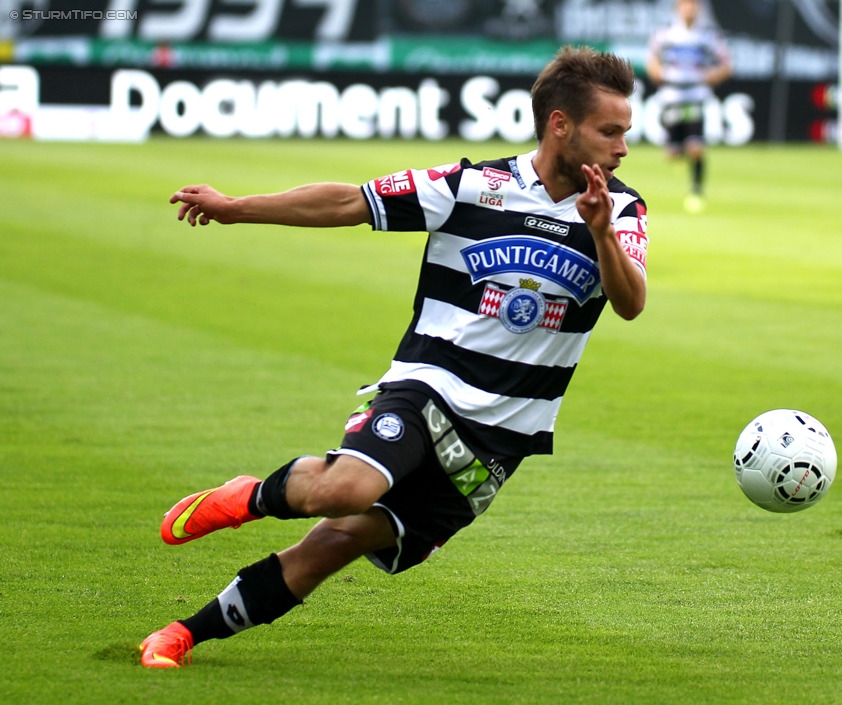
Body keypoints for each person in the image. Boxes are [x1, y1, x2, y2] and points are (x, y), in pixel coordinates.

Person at [139, 45, 649, 668]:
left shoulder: (622, 210)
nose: (622, 147)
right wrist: (235, 208)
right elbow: (350, 202)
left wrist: (598, 231)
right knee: (347, 489)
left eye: (625, 132)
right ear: (560, 125)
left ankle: (183, 634)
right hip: (428, 387)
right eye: (610, 131)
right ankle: (247, 498)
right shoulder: (472, 186)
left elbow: (630, 303)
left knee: (338, 542)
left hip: (503, 437)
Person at [646, 0, 732, 213]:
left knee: (696, 147)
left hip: (695, 95)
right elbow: (652, 61)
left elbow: (726, 64)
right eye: (686, 4)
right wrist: (657, 72)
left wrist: (713, 75)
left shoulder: (707, 36)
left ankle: (696, 190)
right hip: (671, 96)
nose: (689, 9)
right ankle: (679, 150)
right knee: (673, 153)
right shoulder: (665, 34)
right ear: (678, 8)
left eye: (693, 5)